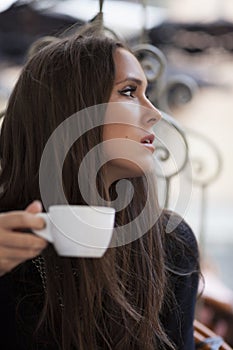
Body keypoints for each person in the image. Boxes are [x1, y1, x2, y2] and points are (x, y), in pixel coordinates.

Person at [0, 21, 199, 350]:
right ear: (71, 109)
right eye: (129, 91)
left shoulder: (171, 244)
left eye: (146, 93)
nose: (154, 114)